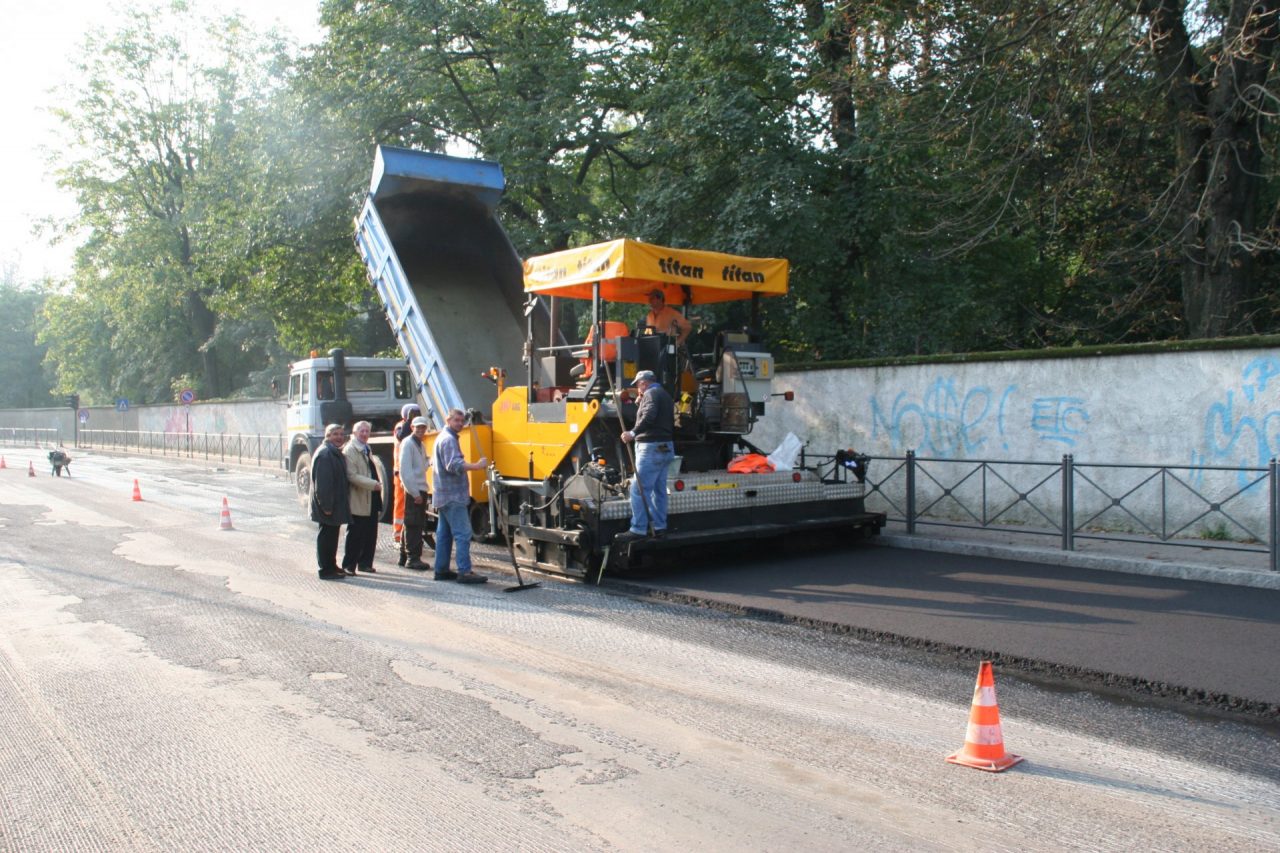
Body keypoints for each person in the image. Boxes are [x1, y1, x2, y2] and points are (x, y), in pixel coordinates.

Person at [431, 408, 490, 583]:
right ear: (448, 420)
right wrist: (477, 466)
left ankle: (441, 570)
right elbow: (453, 465)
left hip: (443, 494)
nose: (460, 423)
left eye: (462, 420)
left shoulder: (442, 437)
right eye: (456, 420)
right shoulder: (448, 440)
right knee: (463, 533)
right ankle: (464, 571)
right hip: (453, 496)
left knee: (444, 534)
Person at [618, 370, 675, 541]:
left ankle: (638, 529)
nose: (637, 387)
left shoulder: (651, 394)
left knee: (639, 490)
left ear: (644, 383)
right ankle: (659, 527)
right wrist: (640, 403)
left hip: (651, 448)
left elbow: (650, 417)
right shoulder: (664, 394)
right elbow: (656, 416)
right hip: (666, 446)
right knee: (659, 490)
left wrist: (633, 433)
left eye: (637, 384)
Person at [311, 423, 351, 580]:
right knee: (326, 537)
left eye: (341, 434)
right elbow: (323, 485)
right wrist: (326, 506)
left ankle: (331, 564)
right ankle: (326, 569)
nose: (339, 437)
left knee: (332, 536)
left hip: (335, 504)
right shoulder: (326, 454)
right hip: (328, 506)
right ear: (327, 436)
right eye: (335, 434)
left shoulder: (334, 452)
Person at [341, 420, 382, 575]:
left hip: (370, 496)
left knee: (370, 532)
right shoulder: (350, 450)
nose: (365, 434)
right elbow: (351, 475)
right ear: (355, 433)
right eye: (361, 431)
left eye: (367, 431)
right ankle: (349, 565)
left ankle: (365, 563)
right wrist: (373, 484)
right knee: (355, 534)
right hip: (359, 497)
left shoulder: (366, 448)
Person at [398, 416, 432, 571]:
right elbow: (405, 471)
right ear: (411, 427)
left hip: (419, 489)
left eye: (423, 427)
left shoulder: (420, 444)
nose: (420, 430)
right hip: (415, 490)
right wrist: (414, 492)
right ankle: (413, 558)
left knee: (411, 523)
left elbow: (420, 467)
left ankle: (404, 556)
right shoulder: (408, 443)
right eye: (417, 427)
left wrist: (429, 461)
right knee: (414, 524)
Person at [392, 402, 421, 564]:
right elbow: (401, 436)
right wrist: (409, 421)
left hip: (407, 471)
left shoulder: (413, 427)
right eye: (413, 413)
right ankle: (398, 534)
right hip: (400, 472)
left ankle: (404, 538)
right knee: (401, 505)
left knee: (406, 507)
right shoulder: (401, 426)